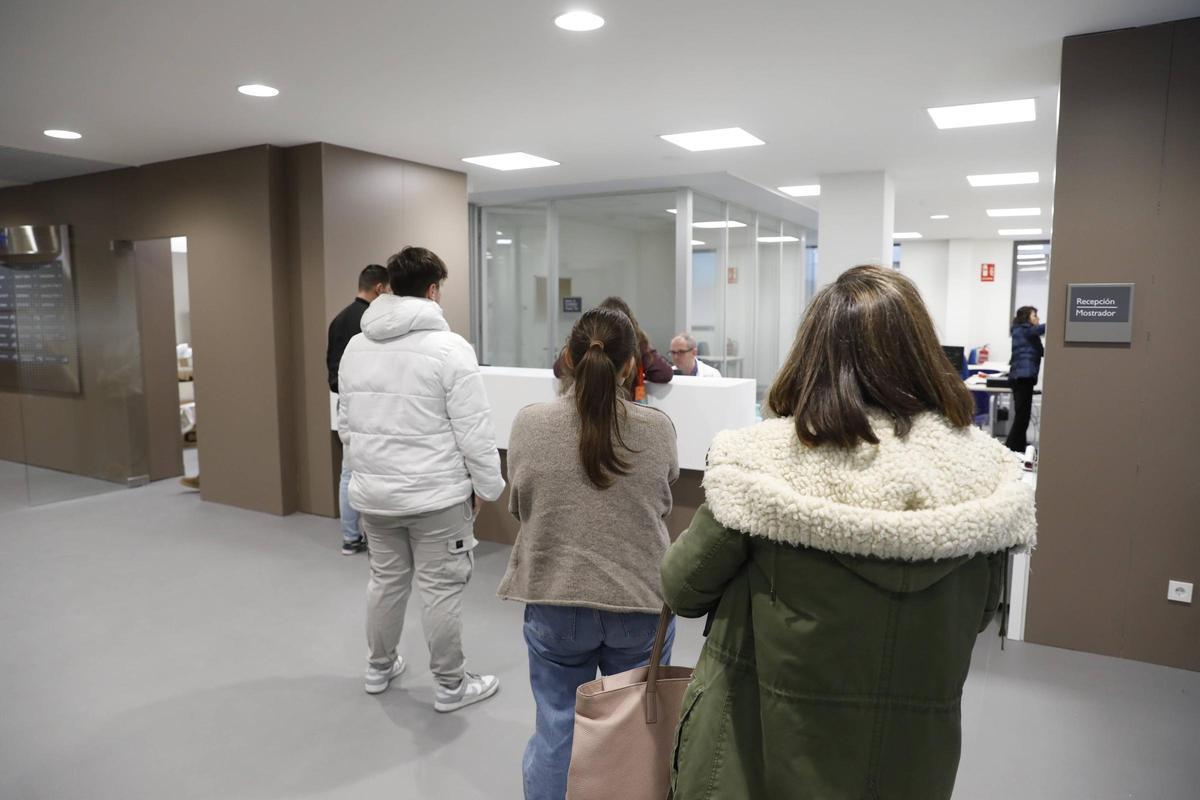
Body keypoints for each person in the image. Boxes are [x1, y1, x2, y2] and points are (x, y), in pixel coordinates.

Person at [661, 265, 1036, 800]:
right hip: (910, 769)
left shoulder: (760, 462)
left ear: (812, 353)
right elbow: (978, 615)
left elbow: (681, 588)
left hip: (752, 760)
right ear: (922, 352)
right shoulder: (983, 477)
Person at [500, 306, 679, 800]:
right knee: (635, 734)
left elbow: (520, 505)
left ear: (568, 358)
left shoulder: (529, 423)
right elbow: (662, 504)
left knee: (558, 729)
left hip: (555, 597)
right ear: (629, 367)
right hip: (638, 603)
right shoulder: (657, 428)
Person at [338, 246, 505, 708]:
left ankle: (378, 667)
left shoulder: (356, 345)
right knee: (441, 589)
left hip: (374, 496)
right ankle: (451, 686)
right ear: (433, 291)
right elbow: (474, 430)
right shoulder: (450, 348)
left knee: (385, 582)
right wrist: (489, 487)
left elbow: (347, 425)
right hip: (436, 499)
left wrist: (366, 472)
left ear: (389, 286)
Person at [327, 264, 389, 555]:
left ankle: (351, 537)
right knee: (378, 471)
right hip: (372, 407)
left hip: (347, 405)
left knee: (348, 473)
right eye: (387, 290)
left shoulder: (338, 320)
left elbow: (332, 371)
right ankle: (381, 540)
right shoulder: (372, 322)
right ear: (379, 288)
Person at [553, 296, 672, 401]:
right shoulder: (657, 423)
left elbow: (559, 369)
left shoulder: (538, 416)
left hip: (584, 402)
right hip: (624, 409)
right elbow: (664, 374)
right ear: (628, 365)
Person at [1005, 306, 1046, 453]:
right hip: (1023, 378)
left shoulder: (1025, 332)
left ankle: (1019, 447)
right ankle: (1009, 448)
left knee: (1023, 415)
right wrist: (1056, 322)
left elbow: (1041, 351)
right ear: (1027, 318)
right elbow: (1042, 328)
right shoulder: (1023, 330)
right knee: (1022, 417)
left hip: (1023, 378)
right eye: (1035, 315)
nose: (1038, 319)